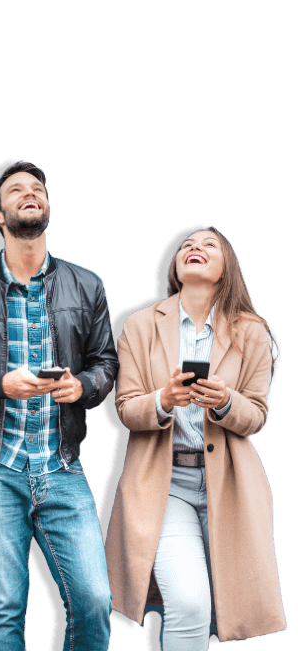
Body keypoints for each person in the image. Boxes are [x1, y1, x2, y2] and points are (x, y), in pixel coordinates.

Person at [0, 160, 117, 651]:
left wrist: (83, 387)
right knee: (3, 614)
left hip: (62, 465)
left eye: (37, 188)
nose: (29, 194)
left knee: (95, 600)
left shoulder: (88, 285)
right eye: (16, 190)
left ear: (48, 208)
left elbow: (107, 362)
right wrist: (0, 384)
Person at [105, 226, 286, 647]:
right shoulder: (140, 325)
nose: (194, 249)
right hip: (164, 485)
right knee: (188, 603)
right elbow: (126, 409)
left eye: (208, 245)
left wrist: (225, 401)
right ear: (175, 266)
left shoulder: (252, 331)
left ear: (227, 269)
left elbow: (256, 416)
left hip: (231, 487)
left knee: (217, 612)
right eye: (186, 245)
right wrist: (164, 400)